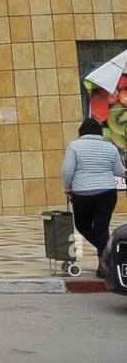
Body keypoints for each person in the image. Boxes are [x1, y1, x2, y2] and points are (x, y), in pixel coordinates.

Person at [61, 117, 124, 278]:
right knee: (102, 229)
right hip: (107, 193)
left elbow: (67, 171)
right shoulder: (110, 147)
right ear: (100, 132)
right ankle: (106, 260)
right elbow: (118, 171)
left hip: (83, 194)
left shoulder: (74, 146)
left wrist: (68, 187)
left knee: (82, 226)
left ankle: (107, 258)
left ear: (81, 132)